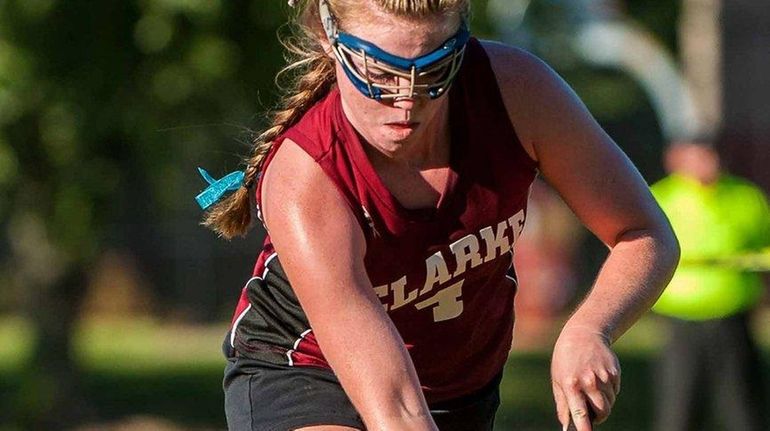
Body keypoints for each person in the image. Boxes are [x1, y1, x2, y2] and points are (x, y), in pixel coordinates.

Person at [197, 1, 679, 430]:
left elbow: (644, 232)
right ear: (328, 36)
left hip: (460, 387)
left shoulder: (516, 94)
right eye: (378, 72)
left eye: (433, 70)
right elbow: (398, 412)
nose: (407, 101)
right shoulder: (307, 177)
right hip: (306, 371)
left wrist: (590, 328)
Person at [650, 140, 770, 431]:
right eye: (698, 156)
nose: (706, 163)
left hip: (732, 319)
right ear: (677, 159)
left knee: (742, 410)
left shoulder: (745, 197)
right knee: (678, 412)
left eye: (711, 155)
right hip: (681, 321)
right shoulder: (658, 198)